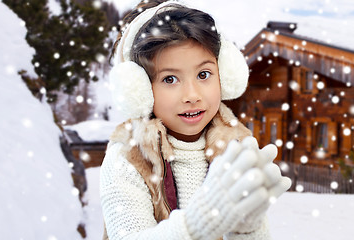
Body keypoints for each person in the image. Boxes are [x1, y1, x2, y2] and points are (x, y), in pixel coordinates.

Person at [100, 0, 291, 239]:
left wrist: (248, 227)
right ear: (140, 90)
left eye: (203, 74)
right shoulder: (127, 157)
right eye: (170, 79)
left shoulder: (235, 148)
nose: (192, 95)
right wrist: (195, 225)